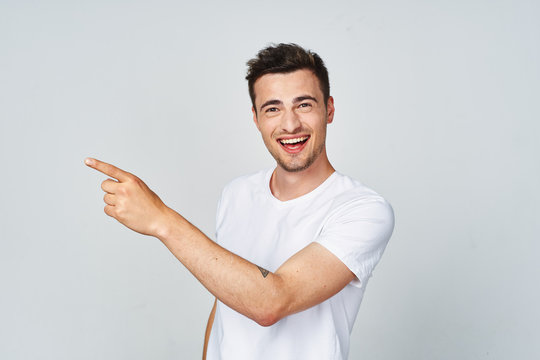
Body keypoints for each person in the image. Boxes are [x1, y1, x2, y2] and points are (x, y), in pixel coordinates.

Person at [85, 43, 394, 360]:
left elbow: (271, 301)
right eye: (272, 108)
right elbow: (227, 299)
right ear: (256, 118)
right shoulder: (237, 194)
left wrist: (161, 220)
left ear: (328, 109)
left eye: (303, 105)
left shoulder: (363, 210)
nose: (289, 125)